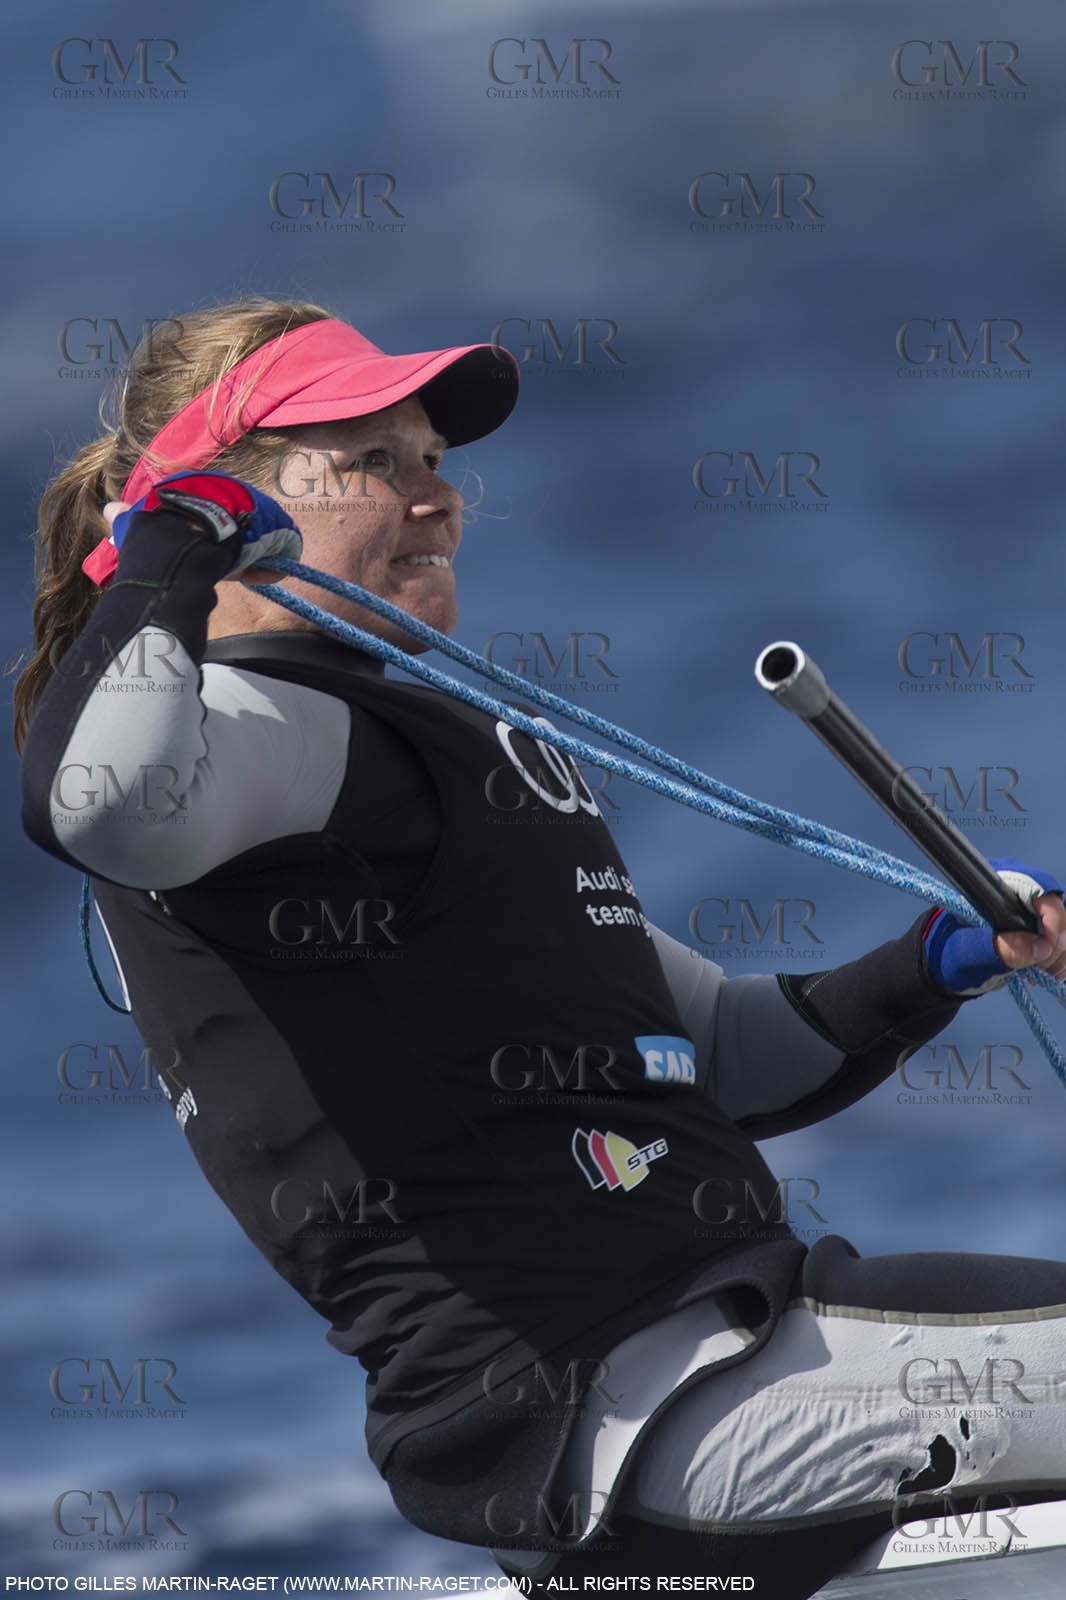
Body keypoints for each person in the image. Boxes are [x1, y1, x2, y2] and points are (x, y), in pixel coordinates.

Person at [16, 297, 1066, 1599]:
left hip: (721, 1375)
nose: (432, 501)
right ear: (208, 499)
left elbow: (723, 1057)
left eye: (435, 465)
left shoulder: (410, 746)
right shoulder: (259, 733)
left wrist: (935, 963)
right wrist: (164, 560)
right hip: (644, 1418)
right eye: (369, 461)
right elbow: (97, 804)